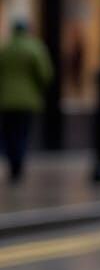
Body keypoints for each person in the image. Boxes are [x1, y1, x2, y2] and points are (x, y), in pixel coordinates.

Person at [0, 18, 53, 182]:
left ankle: (12, 162)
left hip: (6, 101)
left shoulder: (6, 49)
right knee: (22, 133)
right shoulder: (34, 49)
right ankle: (18, 165)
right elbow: (45, 74)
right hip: (27, 101)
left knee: (9, 134)